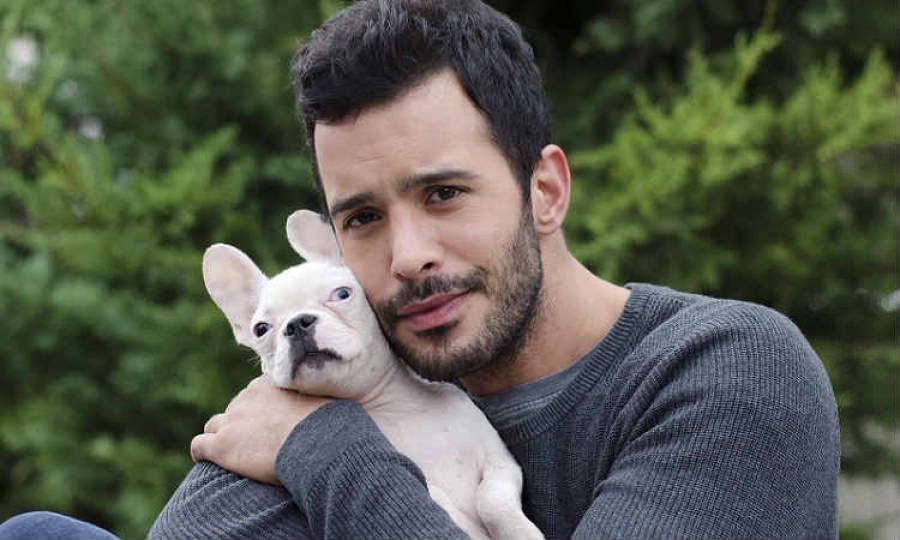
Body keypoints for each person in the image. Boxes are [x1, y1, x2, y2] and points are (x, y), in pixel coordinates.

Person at [1, 0, 839, 538]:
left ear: (545, 191)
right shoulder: (353, 372)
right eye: (362, 218)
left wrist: (325, 453)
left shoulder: (725, 368)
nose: (407, 258)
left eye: (443, 194)